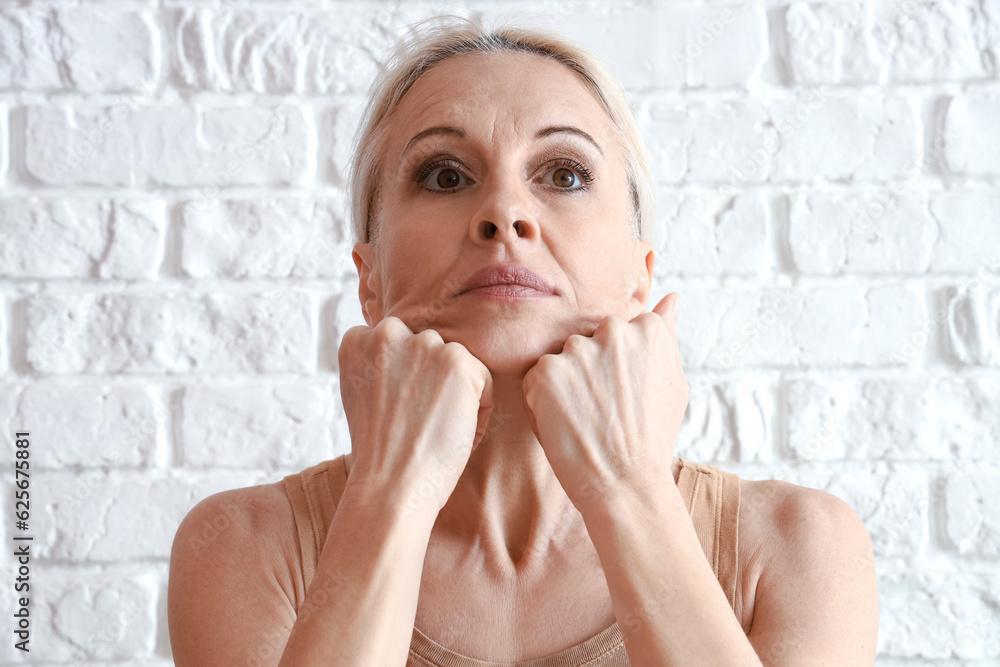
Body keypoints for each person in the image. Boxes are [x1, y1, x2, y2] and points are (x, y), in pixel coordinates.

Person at [167, 14, 879, 666]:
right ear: (371, 277)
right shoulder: (244, 547)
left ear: (640, 274)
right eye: (446, 175)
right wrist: (392, 491)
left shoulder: (799, 546)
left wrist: (625, 487)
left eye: (564, 174)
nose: (504, 211)